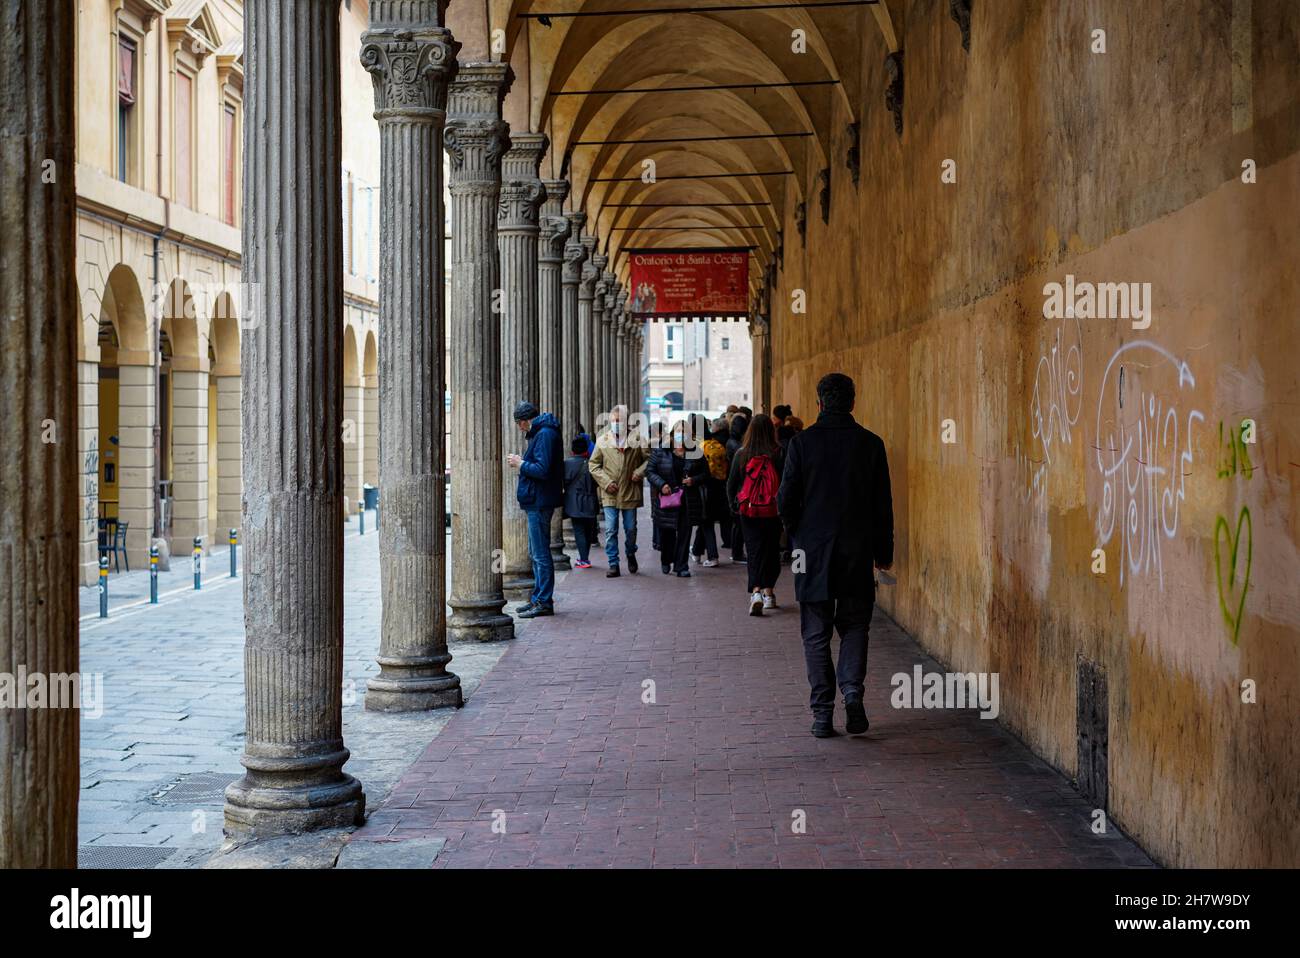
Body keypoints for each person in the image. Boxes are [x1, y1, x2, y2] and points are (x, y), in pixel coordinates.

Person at [778, 373, 893, 738]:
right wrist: (883, 552)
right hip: (856, 550)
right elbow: (882, 505)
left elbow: (786, 500)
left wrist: (798, 534)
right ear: (853, 402)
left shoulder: (801, 444)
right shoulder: (871, 444)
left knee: (815, 632)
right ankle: (853, 692)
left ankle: (822, 714)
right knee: (856, 625)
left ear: (819, 403)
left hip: (811, 553)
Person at [507, 401, 564, 618]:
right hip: (537, 500)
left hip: (540, 501)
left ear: (524, 421)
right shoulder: (541, 433)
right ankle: (537, 599)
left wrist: (520, 463)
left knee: (540, 554)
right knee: (535, 553)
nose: (520, 429)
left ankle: (544, 601)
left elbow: (542, 469)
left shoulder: (545, 435)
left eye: (519, 424)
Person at [727, 413, 785, 616]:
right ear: (771, 430)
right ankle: (769, 594)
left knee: (754, 551)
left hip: (749, 511)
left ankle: (756, 592)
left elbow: (731, 484)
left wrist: (735, 507)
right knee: (771, 550)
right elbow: (787, 484)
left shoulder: (741, 454)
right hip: (773, 511)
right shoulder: (779, 453)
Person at [587, 404, 647, 577]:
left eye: (619, 420)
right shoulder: (603, 440)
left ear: (627, 422)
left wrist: (639, 472)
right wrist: (605, 482)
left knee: (630, 529)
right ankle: (613, 563)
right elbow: (593, 464)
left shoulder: (638, 439)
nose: (615, 423)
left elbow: (649, 460)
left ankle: (630, 552)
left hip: (630, 491)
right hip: (610, 492)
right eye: (613, 421)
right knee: (611, 529)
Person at [646, 419, 708, 576]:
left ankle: (681, 566)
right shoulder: (661, 451)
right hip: (668, 498)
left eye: (685, 432)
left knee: (685, 533)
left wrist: (693, 480)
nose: (682, 435)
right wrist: (662, 485)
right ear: (673, 434)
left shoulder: (696, 452)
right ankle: (666, 560)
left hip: (687, 499)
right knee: (667, 533)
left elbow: (706, 473)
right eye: (679, 432)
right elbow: (650, 471)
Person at [692, 417, 731, 566]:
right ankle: (696, 552)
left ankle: (712, 556)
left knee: (705, 521)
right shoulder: (717, 444)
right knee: (705, 521)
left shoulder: (699, 445)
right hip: (718, 487)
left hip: (703, 487)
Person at [563, 435, 600, 569]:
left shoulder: (566, 464)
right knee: (589, 531)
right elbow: (597, 483)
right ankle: (585, 557)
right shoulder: (593, 464)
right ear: (586, 450)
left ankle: (584, 559)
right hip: (590, 501)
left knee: (579, 531)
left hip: (574, 502)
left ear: (572, 450)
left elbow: (563, 483)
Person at [724, 414, 749, 562]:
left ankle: (737, 551)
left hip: (736, 487)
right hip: (739, 488)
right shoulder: (738, 447)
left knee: (737, 524)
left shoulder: (731, 442)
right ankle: (737, 552)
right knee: (738, 525)